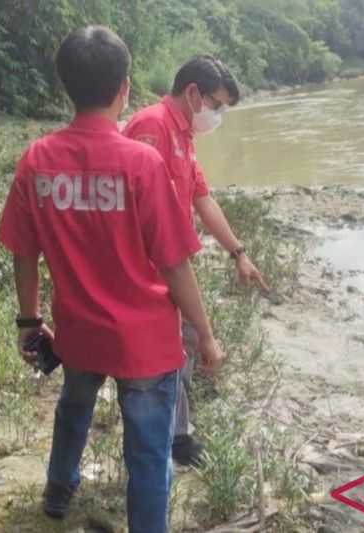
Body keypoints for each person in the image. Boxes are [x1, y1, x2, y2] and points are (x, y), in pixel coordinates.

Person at [0, 26, 223, 533]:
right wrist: (205, 334)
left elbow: (23, 254)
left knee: (73, 411)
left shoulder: (38, 160)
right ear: (124, 87)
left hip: (79, 334)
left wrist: (28, 323)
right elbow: (175, 264)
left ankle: (58, 491)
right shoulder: (142, 163)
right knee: (147, 456)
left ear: (66, 87)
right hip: (145, 345)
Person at [123, 55, 268, 466]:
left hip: (173, 263)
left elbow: (202, 198)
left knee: (182, 344)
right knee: (173, 348)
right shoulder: (152, 126)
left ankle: (177, 432)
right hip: (152, 269)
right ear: (192, 93)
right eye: (217, 105)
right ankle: (170, 439)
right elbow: (137, 212)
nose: (218, 115)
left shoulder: (184, 133)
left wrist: (239, 253)